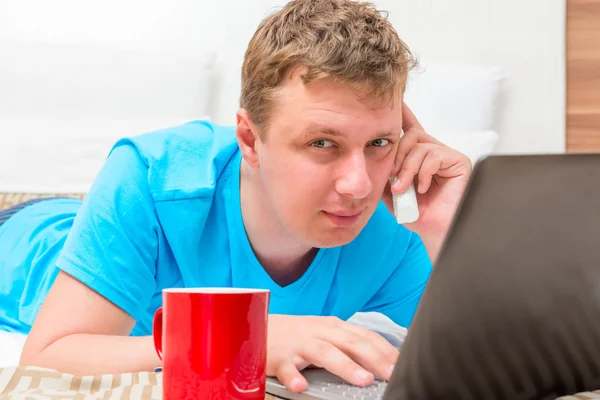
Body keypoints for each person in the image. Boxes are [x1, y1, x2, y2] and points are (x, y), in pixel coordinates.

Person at [0, 0, 471, 394]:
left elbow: (482, 364)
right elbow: (49, 355)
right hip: (26, 234)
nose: (358, 185)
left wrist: (450, 235)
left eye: (379, 144)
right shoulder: (147, 175)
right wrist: (240, 342)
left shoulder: (397, 224)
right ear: (249, 139)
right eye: (321, 143)